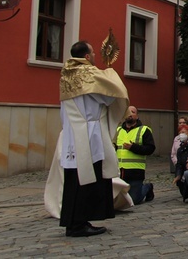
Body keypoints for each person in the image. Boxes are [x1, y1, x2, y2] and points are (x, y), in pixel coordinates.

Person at [55, 40, 129, 237]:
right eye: (93, 52)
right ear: (86, 57)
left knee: (73, 182)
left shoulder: (66, 74)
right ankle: (80, 223)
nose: (96, 55)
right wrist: (110, 74)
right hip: (89, 134)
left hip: (72, 133)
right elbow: (109, 97)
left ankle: (72, 222)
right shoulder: (89, 74)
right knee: (87, 180)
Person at [116, 106, 156, 205]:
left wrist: (133, 147)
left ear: (137, 116)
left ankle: (147, 187)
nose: (129, 114)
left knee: (134, 200)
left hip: (135, 172)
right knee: (118, 199)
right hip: (119, 171)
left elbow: (150, 149)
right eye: (127, 112)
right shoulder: (117, 130)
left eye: (132, 112)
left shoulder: (144, 130)